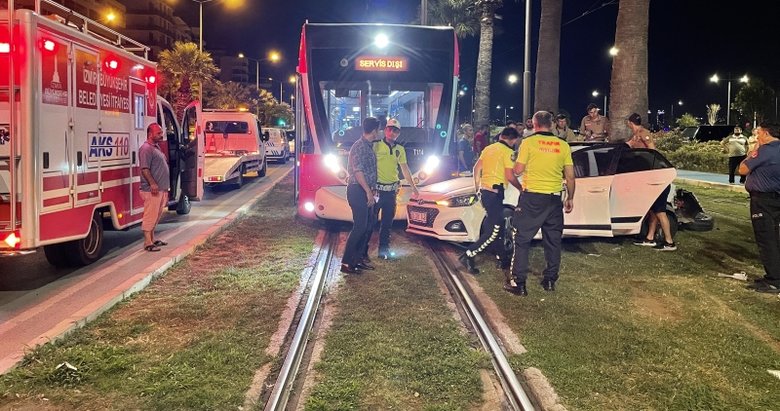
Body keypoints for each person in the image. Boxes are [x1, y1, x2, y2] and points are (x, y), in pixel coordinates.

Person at [507, 111, 575, 296]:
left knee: (522, 239)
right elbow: (569, 175)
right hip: (554, 199)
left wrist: (515, 167)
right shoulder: (563, 145)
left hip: (532, 198)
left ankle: (519, 283)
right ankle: (550, 280)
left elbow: (518, 170)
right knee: (553, 242)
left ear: (535, 124)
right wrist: (570, 198)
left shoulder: (528, 143)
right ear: (552, 124)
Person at [459, 127, 523, 275]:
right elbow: (510, 175)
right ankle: (468, 255)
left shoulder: (489, 149)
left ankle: (503, 258)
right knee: (493, 231)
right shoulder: (508, 152)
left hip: (485, 192)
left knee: (497, 226)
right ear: (512, 140)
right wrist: (521, 188)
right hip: (495, 194)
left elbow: (476, 168)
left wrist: (477, 188)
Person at [738, 123, 780, 294]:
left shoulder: (765, 150)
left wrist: (755, 148)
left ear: (766, 133)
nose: (757, 135)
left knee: (766, 239)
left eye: (759, 132)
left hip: (762, 200)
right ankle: (776, 275)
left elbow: (742, 169)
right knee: (775, 238)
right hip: (776, 198)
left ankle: (774, 281)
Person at [374, 118, 419, 260]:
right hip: (376, 191)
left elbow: (405, 169)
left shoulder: (400, 149)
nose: (392, 132)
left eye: (395, 130)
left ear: (398, 133)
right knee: (370, 222)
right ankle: (363, 251)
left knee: (387, 223)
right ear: (385, 130)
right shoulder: (375, 146)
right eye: (389, 129)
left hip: (391, 192)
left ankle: (384, 251)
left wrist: (414, 188)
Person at [341, 117, 380, 274]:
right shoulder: (359, 147)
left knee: (368, 225)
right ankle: (346, 263)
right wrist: (368, 192)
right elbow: (358, 171)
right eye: (379, 129)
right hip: (358, 190)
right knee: (360, 227)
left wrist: (372, 190)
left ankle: (357, 259)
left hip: (365, 190)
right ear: (374, 130)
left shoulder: (368, 146)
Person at [139, 123, 170, 252]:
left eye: (161, 132)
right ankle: (147, 242)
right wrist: (152, 183)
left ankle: (152, 239)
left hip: (160, 189)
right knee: (150, 215)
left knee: (156, 216)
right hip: (152, 190)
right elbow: (145, 169)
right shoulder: (146, 149)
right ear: (150, 134)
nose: (161, 135)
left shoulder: (156, 147)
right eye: (158, 133)